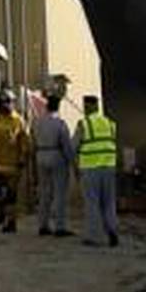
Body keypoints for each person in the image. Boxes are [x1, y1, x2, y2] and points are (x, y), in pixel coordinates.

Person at [0, 87, 32, 232]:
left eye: (7, 102)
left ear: (13, 103)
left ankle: (11, 222)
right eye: (1, 102)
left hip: (13, 165)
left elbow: (25, 142)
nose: (4, 105)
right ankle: (2, 211)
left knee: (11, 195)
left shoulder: (18, 121)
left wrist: (22, 159)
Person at [75, 95, 119, 247]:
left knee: (92, 203)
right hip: (109, 167)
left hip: (90, 168)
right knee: (109, 202)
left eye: (85, 106)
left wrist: (73, 163)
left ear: (88, 106)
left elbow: (74, 146)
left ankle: (93, 237)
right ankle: (112, 230)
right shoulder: (110, 124)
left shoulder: (84, 124)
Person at [32, 85, 76, 236]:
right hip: (56, 155)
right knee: (59, 193)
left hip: (40, 154)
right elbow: (66, 145)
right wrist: (72, 161)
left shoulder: (37, 122)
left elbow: (33, 140)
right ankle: (59, 226)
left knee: (44, 193)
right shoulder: (60, 123)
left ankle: (43, 225)